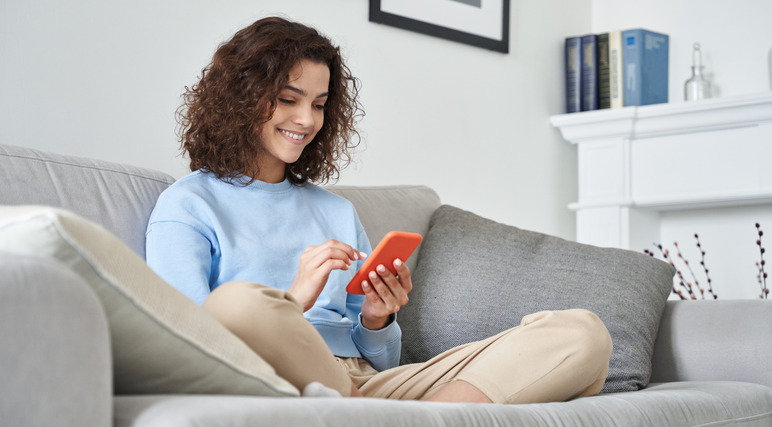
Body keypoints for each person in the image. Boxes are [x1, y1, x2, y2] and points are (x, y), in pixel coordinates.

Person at [146, 16, 612, 403]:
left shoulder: (336, 211)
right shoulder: (188, 204)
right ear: (240, 98)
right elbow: (188, 342)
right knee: (237, 303)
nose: (306, 120)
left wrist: (376, 318)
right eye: (288, 99)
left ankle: (418, 424)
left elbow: (381, 361)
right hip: (280, 377)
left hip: (367, 388)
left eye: (319, 104)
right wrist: (293, 301)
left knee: (581, 333)